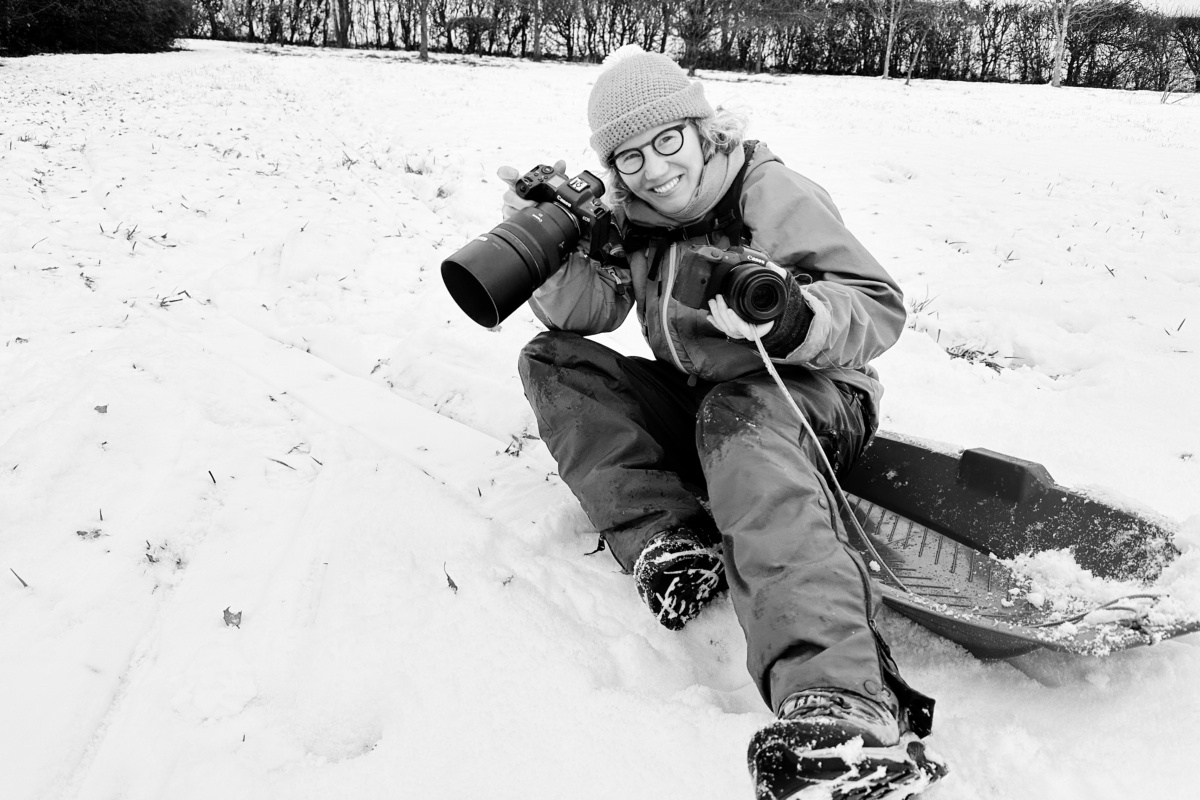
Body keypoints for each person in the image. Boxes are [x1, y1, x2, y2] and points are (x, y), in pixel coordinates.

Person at [501, 48, 938, 797]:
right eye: (628, 156)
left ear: (705, 129)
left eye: (668, 139)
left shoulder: (768, 191)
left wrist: (798, 315)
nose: (653, 169)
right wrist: (552, 246)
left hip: (814, 392)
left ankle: (843, 703)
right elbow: (591, 314)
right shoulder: (632, 220)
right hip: (707, 400)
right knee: (554, 359)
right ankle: (669, 542)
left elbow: (877, 302)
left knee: (738, 417)